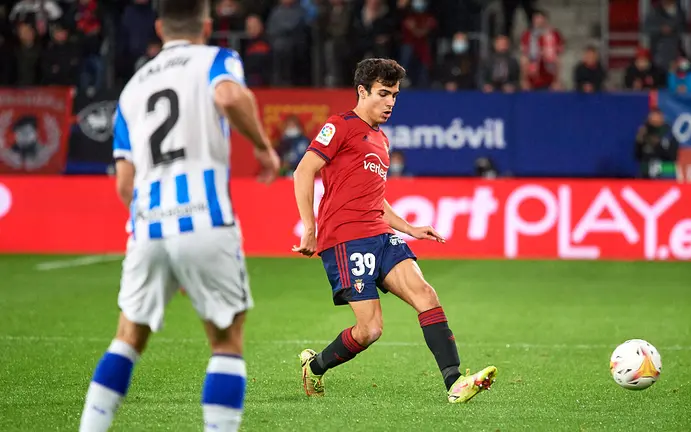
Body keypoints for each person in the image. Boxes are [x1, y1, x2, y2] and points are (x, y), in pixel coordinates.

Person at [78, 1, 280, 431]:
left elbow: (123, 185)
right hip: (205, 219)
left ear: (159, 27)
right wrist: (262, 146)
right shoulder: (217, 59)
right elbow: (228, 94)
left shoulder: (132, 89)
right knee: (226, 341)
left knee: (127, 339)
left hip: (149, 225)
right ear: (206, 25)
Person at [291, 58, 497, 404]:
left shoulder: (381, 140)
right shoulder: (339, 126)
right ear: (362, 91)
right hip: (345, 237)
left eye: (395, 95)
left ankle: (454, 383)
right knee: (370, 330)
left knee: (426, 295)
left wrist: (409, 229)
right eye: (383, 94)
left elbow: (376, 196)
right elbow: (302, 171)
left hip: (380, 235)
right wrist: (309, 228)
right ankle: (315, 367)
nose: (390, 102)